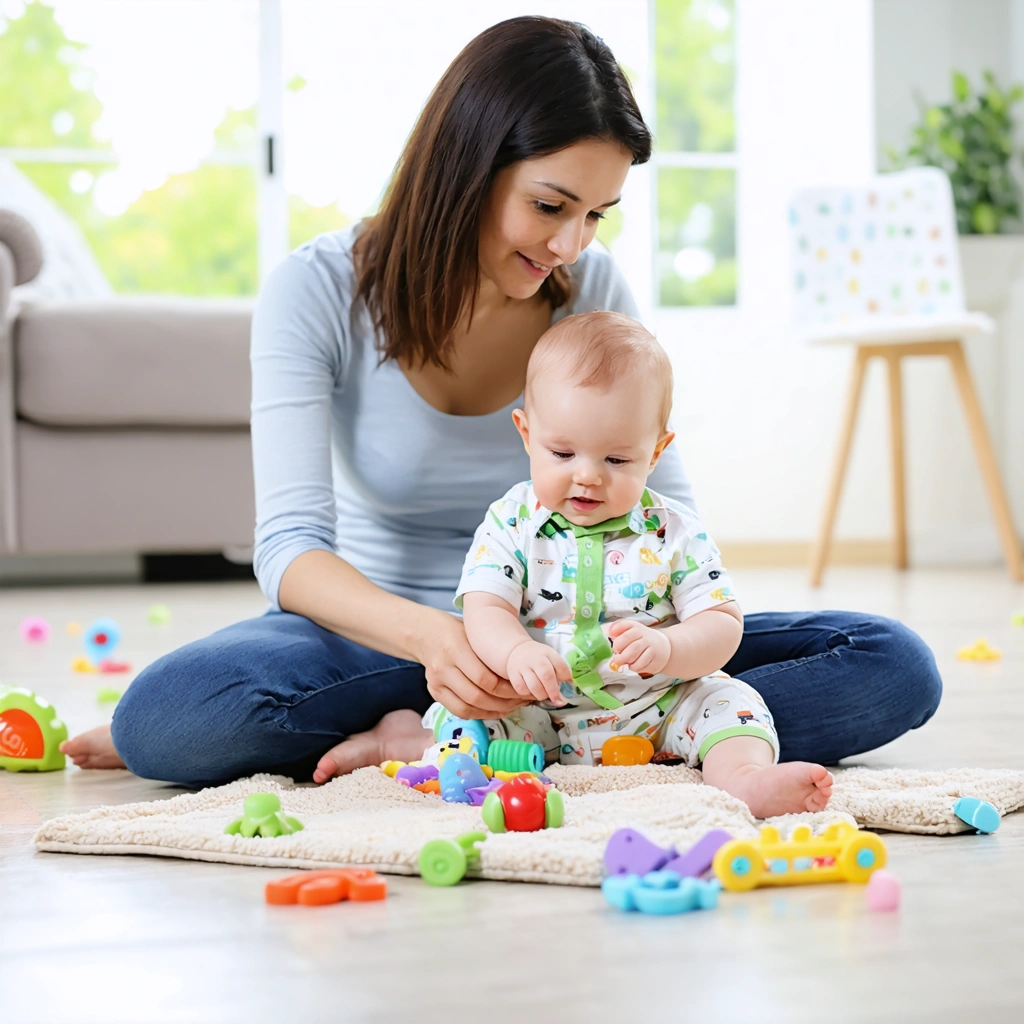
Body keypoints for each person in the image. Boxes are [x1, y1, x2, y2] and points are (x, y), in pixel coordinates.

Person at [61, 16, 941, 788]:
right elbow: (290, 551)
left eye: (597, 214)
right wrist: (445, 644)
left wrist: (669, 647)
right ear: (468, 165)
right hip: (384, 637)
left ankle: (489, 740)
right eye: (550, 204)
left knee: (892, 665)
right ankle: (474, 727)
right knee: (170, 719)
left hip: (593, 648)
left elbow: (667, 504)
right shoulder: (318, 287)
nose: (569, 244)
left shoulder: (593, 287)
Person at [428, 311, 833, 817]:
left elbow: (723, 624)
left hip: (656, 709)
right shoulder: (511, 521)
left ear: (657, 451)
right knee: (467, 710)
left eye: (617, 461)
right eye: (562, 452)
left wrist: (669, 647)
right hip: (536, 706)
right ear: (526, 434)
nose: (588, 476)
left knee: (730, 702)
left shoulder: (674, 532)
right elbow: (485, 608)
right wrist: (513, 655)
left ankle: (744, 779)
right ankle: (433, 756)